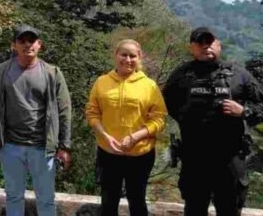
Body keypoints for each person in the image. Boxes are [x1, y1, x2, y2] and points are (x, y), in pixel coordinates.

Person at [164, 27, 263, 216]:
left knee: (229, 209)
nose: (205, 47)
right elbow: (165, 104)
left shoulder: (239, 74)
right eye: (199, 43)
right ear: (191, 47)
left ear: (218, 45)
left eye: (210, 42)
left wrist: (244, 111)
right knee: (194, 209)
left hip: (230, 157)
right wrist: (189, 118)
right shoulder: (181, 75)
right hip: (194, 158)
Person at [0, 25, 72, 216]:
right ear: (14, 45)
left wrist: (64, 146)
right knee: (14, 197)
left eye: (31, 41)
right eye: (22, 41)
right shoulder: (0, 72)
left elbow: (65, 110)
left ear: (39, 44)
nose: (27, 45)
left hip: (42, 147)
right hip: (10, 146)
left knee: (46, 200)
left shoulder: (52, 73)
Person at [85, 39, 167, 216]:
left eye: (132, 56)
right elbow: (92, 113)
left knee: (137, 201)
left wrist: (135, 137)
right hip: (108, 152)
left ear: (139, 58)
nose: (127, 59)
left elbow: (159, 119)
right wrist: (105, 135)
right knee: (108, 201)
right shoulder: (101, 82)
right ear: (116, 56)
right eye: (124, 55)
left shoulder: (149, 86)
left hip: (140, 153)